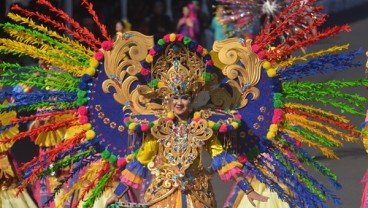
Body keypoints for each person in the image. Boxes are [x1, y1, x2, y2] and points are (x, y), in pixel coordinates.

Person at [105, 36, 269, 207]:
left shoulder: (203, 125)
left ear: (192, 99)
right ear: (168, 98)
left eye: (184, 97)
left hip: (197, 196)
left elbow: (222, 157)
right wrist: (117, 195)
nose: (179, 103)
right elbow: (141, 161)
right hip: (162, 197)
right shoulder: (160, 127)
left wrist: (248, 189)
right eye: (175, 97)